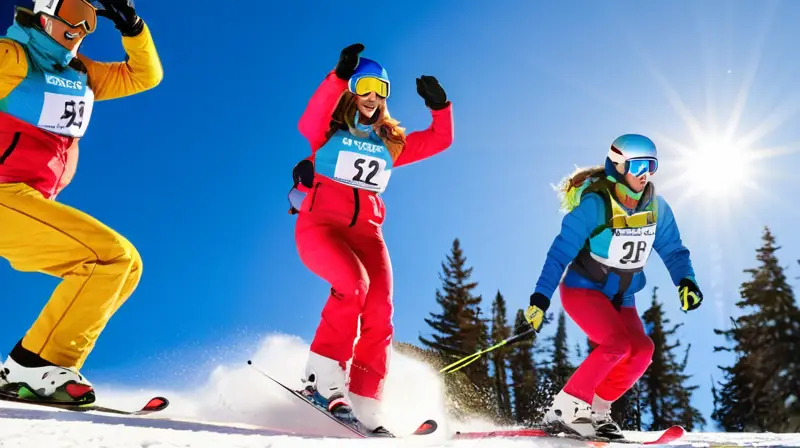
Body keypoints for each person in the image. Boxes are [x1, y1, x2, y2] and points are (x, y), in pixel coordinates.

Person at [0, 0, 163, 404]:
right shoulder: (11, 56)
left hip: (27, 201)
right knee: (112, 257)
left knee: (126, 267)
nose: (81, 27)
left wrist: (133, 27)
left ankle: (34, 364)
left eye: (89, 18)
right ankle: (35, 366)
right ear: (41, 14)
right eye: (72, 12)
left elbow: (145, 76)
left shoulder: (82, 73)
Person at [288, 43, 453, 435]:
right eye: (364, 86)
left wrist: (440, 107)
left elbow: (438, 140)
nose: (373, 96)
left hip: (369, 236)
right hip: (321, 227)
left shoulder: (390, 144)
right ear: (351, 91)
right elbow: (307, 121)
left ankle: (363, 400)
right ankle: (321, 378)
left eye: (381, 89)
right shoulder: (327, 132)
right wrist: (338, 76)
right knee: (352, 285)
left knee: (380, 311)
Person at [524, 134, 703, 439]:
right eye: (637, 165)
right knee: (616, 344)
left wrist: (686, 281)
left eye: (651, 165)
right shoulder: (596, 205)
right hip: (584, 290)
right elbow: (560, 252)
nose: (644, 173)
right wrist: (540, 298)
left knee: (642, 350)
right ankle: (565, 408)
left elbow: (673, 250)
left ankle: (596, 409)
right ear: (619, 166)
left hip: (624, 297)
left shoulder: (657, 209)